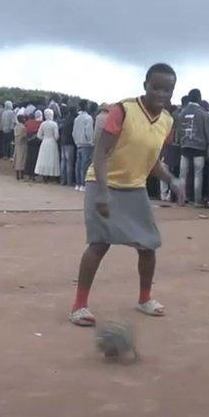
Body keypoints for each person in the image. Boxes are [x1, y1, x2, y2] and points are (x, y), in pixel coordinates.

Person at [69, 63, 185, 327]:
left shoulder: (167, 121)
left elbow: (153, 162)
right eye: (156, 87)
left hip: (134, 188)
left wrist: (173, 180)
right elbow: (100, 152)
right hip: (103, 184)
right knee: (99, 243)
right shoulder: (122, 110)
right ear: (145, 84)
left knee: (148, 245)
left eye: (168, 89)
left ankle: (145, 299)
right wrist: (101, 191)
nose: (161, 94)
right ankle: (79, 305)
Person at [176, 89, 209, 207]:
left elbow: (178, 130)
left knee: (183, 174)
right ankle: (197, 200)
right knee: (198, 174)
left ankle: (181, 199)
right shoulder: (203, 113)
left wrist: (180, 141)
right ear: (199, 98)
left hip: (185, 146)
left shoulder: (182, 113)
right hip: (199, 147)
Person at [73, 100, 95, 191]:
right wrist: (91, 141)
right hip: (86, 144)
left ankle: (77, 184)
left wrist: (76, 141)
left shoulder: (77, 118)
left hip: (78, 143)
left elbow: (73, 132)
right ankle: (83, 184)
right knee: (85, 165)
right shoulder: (88, 118)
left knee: (78, 164)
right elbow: (89, 132)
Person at [35, 109, 61, 182]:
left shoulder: (43, 124)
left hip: (45, 142)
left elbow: (38, 135)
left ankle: (44, 175)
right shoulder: (54, 124)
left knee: (44, 159)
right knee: (52, 159)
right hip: (52, 142)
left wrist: (44, 138)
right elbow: (56, 136)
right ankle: (52, 175)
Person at [13, 113, 29, 181]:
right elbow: (24, 136)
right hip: (22, 145)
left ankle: (17, 175)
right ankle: (21, 176)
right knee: (22, 160)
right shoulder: (23, 127)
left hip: (17, 145)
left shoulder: (16, 126)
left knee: (17, 159)